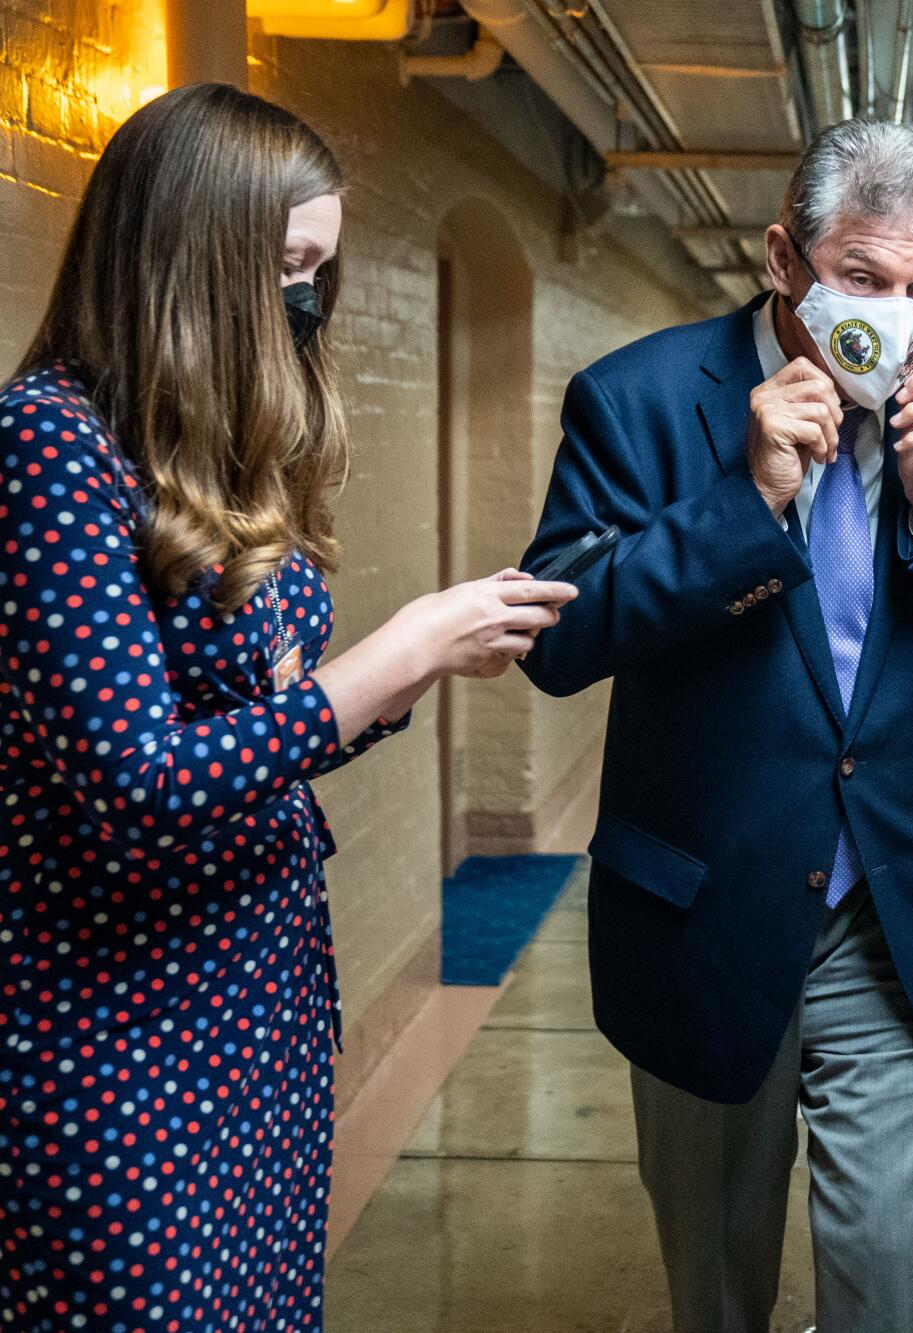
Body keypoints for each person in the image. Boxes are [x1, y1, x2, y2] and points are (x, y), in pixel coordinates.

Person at [0, 84, 572, 1331]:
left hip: (257, 989)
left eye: (320, 266)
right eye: (287, 268)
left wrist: (422, 667)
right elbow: (136, 776)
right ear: (192, 263)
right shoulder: (48, 447)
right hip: (122, 1019)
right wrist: (387, 653)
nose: (305, 302)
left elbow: (264, 731)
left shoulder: (204, 451)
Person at [517, 120, 913, 1333]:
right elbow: (558, 641)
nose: (896, 313)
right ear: (783, 257)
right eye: (861, 280)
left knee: (890, 1268)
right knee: (717, 1278)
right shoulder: (642, 398)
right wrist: (744, 501)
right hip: (707, 908)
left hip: (892, 913)